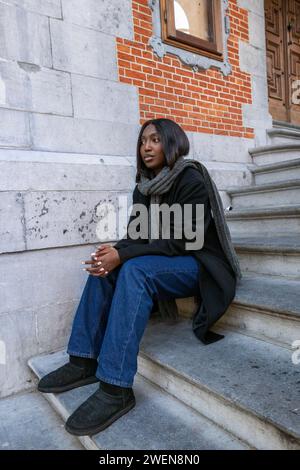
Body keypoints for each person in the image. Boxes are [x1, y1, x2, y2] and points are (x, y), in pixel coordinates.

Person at [37, 118, 242, 437]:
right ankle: (82, 360)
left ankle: (116, 388)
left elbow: (183, 239)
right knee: (108, 264)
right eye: (142, 140)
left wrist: (125, 255)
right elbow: (138, 236)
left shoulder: (191, 179)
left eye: (155, 140)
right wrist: (114, 251)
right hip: (167, 260)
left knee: (134, 269)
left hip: (197, 262)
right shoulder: (144, 187)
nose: (146, 146)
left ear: (172, 143)